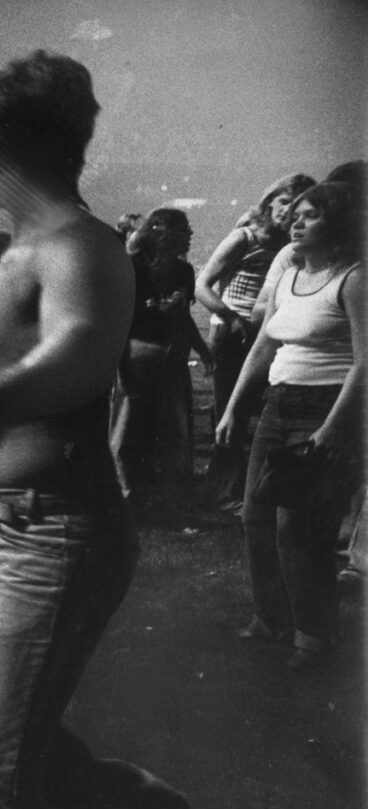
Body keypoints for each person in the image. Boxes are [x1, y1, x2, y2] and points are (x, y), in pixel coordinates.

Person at [0, 51, 191, 809]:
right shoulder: (26, 244)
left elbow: (79, 349)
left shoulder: (81, 244)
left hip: (53, 536)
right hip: (0, 531)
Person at [216, 181, 364, 672]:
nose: (295, 223)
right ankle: (270, 618)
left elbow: (364, 364)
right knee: (255, 517)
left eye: (311, 215)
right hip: (277, 407)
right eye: (295, 215)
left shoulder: (356, 279)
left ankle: (314, 635)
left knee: (297, 530)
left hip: (324, 412)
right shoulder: (288, 275)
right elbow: (263, 346)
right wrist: (235, 407)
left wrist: (332, 430)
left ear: (338, 225)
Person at [196, 174, 316, 510]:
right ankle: (220, 491)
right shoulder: (244, 237)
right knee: (229, 407)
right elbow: (202, 285)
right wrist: (231, 317)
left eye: (294, 207)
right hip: (231, 330)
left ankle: (241, 488)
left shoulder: (287, 246)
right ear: (269, 202)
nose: (287, 212)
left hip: (264, 330)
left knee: (257, 410)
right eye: (283, 203)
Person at [110, 208, 212, 510]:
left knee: (173, 431)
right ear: (162, 231)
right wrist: (121, 365)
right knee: (128, 429)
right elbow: (119, 321)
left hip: (173, 356)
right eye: (184, 230)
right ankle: (126, 495)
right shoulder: (133, 268)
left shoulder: (184, 271)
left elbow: (183, 317)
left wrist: (203, 351)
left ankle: (168, 496)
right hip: (138, 351)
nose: (191, 235)